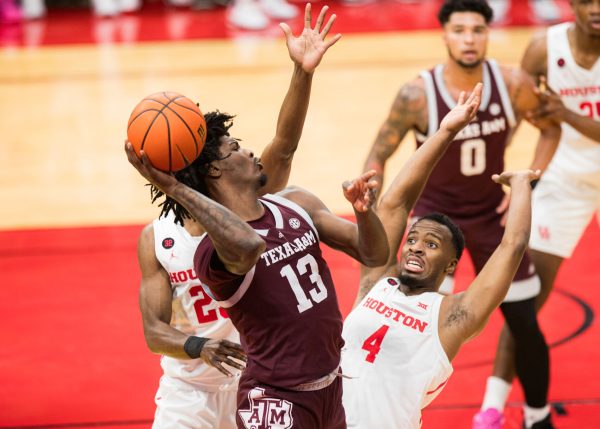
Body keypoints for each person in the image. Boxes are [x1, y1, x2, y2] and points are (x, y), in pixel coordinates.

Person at [134, 4, 342, 428]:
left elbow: (283, 145)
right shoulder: (157, 238)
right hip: (190, 389)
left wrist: (302, 73)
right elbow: (154, 333)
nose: (242, 153)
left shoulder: (249, 205)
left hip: (263, 379)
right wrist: (198, 346)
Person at [362, 1, 561, 428]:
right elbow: (379, 151)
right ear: (445, 35)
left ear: (488, 34)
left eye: (477, 30)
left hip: (492, 217)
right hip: (435, 226)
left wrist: (532, 183)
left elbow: (551, 127)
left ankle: (538, 415)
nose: (469, 39)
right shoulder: (417, 93)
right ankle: (394, 410)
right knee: (412, 329)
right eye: (460, 30)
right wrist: (374, 196)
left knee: (525, 322)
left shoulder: (510, 83)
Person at [341, 81, 542, 428]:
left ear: (451, 265)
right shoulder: (377, 283)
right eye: (414, 240)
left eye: (431, 244)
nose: (416, 245)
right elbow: (395, 204)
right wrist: (447, 130)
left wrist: (522, 184)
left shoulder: (452, 316)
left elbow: (511, 247)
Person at [477, 1, 600, 427]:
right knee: (526, 299)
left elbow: (560, 114)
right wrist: (500, 165)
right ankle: (493, 408)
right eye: (588, 0)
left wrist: (564, 112)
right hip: (564, 177)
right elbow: (513, 116)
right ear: (572, 4)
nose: (597, 8)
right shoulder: (542, 47)